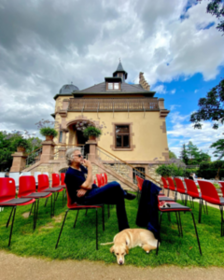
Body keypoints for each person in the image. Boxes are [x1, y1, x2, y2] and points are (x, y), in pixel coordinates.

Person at [64, 147, 136, 232]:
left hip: (92, 192)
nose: (82, 157)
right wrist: (90, 168)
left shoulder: (81, 168)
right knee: (115, 184)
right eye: (79, 155)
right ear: (71, 158)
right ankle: (125, 194)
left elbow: (91, 179)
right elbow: (89, 184)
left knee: (119, 197)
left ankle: (124, 229)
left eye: (82, 155)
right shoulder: (70, 173)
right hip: (85, 199)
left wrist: (85, 188)